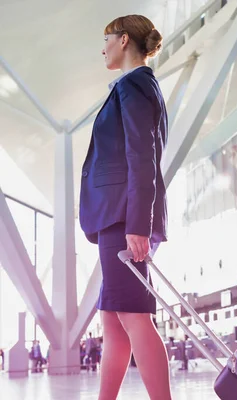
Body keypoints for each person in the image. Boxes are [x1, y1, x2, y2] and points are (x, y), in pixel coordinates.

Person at [79, 14, 170, 400]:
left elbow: (142, 156)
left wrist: (138, 224)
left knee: (133, 317)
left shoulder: (134, 86)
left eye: (107, 39)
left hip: (123, 216)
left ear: (124, 40)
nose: (103, 48)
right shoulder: (134, 86)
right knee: (114, 323)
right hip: (119, 215)